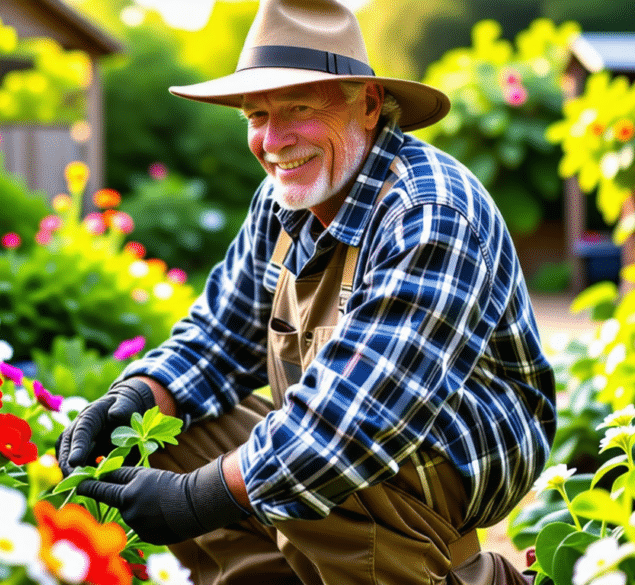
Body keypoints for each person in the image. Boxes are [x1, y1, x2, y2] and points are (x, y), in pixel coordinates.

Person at [57, 0, 556, 583]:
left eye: (298, 107)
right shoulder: (280, 201)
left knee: (314, 476)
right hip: (346, 423)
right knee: (159, 439)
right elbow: (219, 335)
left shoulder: (429, 210)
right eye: (255, 115)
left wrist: (196, 497)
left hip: (451, 447)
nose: (273, 139)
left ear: (368, 105)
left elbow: (356, 421)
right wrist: (137, 399)